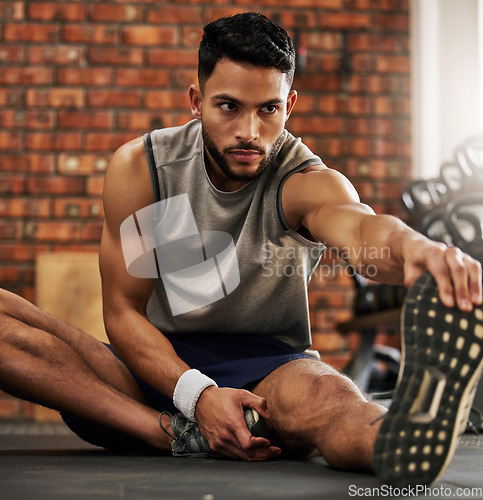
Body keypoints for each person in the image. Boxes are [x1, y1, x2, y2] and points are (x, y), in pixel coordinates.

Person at [0, 12, 481, 487]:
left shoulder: (304, 181)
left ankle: (399, 438)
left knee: (330, 399)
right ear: (197, 100)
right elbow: (124, 312)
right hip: (154, 370)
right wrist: (198, 396)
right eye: (229, 106)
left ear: (289, 105)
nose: (249, 131)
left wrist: (418, 249)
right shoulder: (143, 168)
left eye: (267, 109)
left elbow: (362, 232)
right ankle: (171, 432)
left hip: (268, 371)